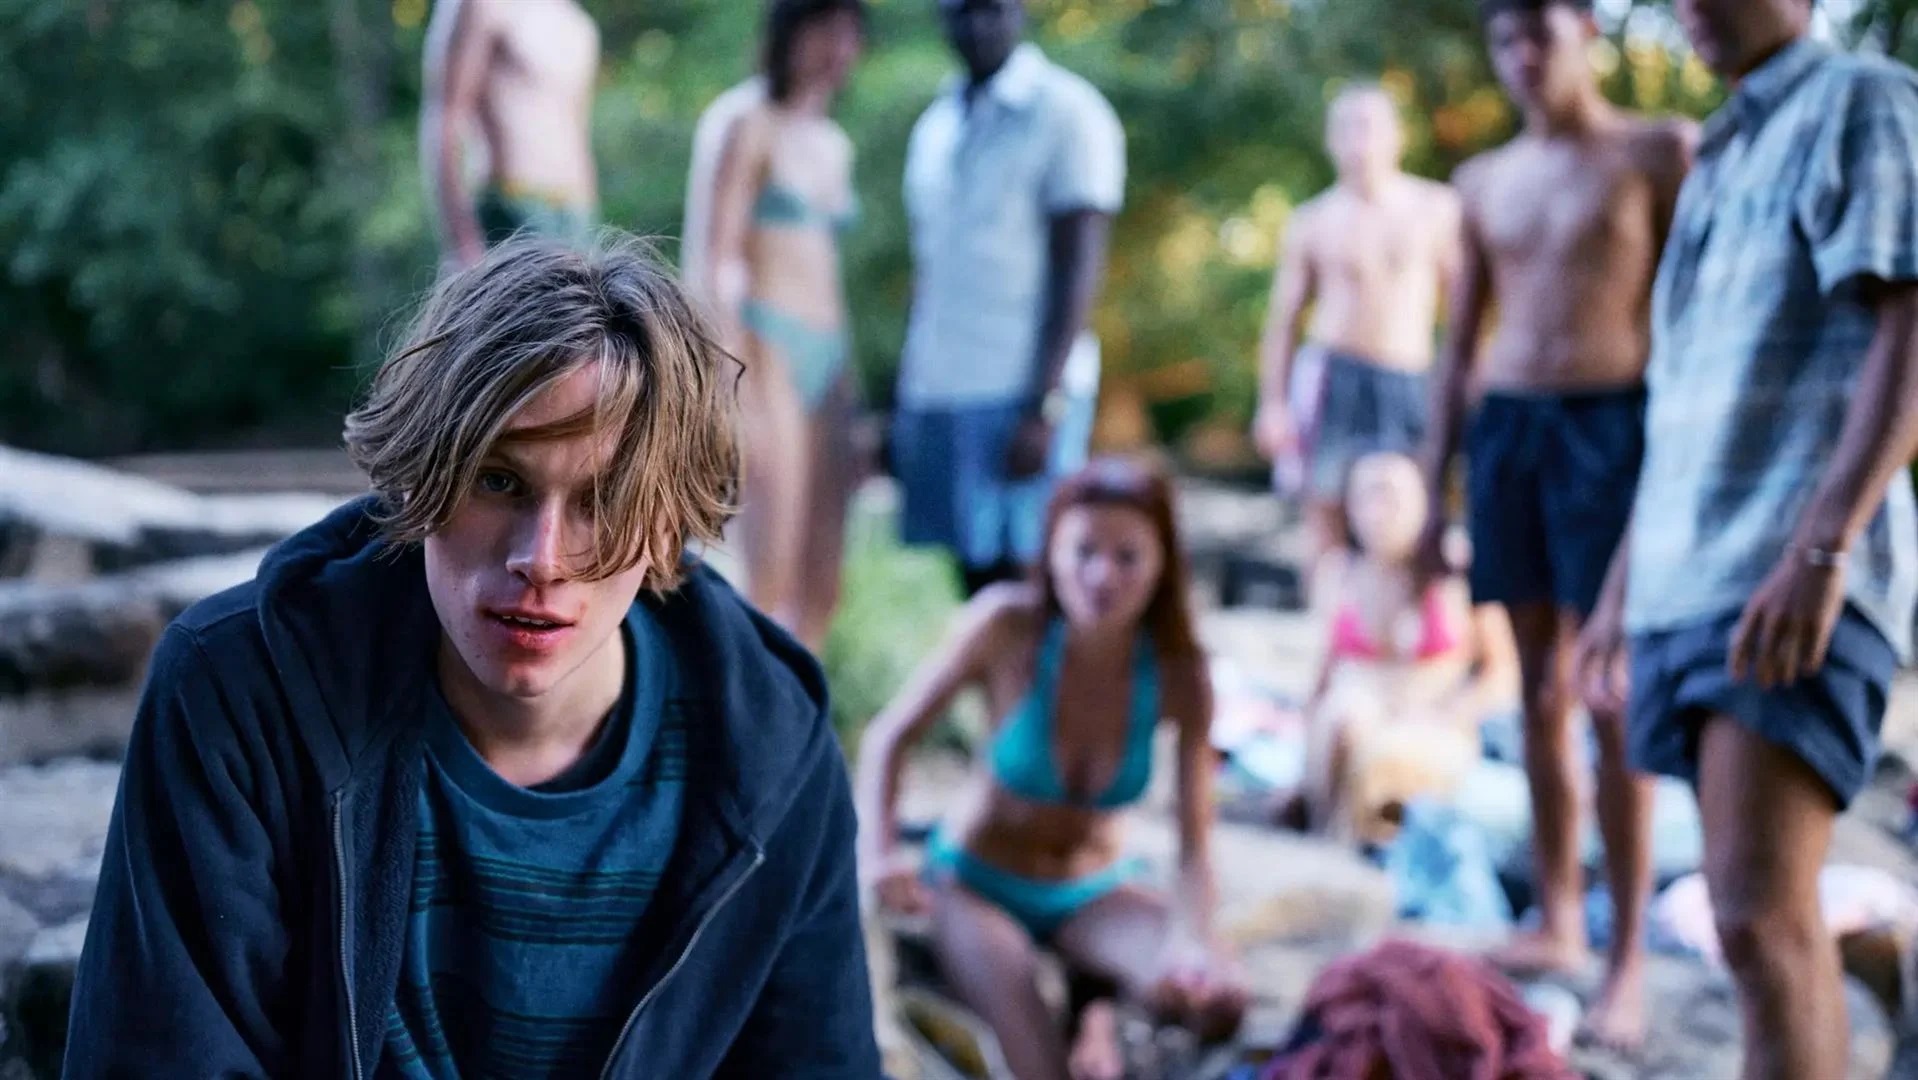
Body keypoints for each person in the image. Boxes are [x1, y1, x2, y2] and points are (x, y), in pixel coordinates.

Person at [62, 237, 880, 1078]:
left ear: (669, 522)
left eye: (604, 499)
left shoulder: (771, 747)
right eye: (498, 481)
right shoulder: (240, 691)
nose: (542, 558)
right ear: (421, 476)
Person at [1576, 0, 1918, 1074]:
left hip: (1789, 575)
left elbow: (1912, 322)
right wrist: (1619, 594)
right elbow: (1679, 399)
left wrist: (1823, 547)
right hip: (1684, 579)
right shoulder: (1713, 158)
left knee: (1759, 922)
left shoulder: (1859, 100)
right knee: (1753, 927)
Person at [1417, 0, 1694, 1051]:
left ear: (1588, 31)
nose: (1522, 56)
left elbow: (1692, 321)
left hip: (1610, 426)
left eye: (1540, 31)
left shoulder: (1656, 151)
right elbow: (1457, 346)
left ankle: (1627, 961)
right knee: (1533, 691)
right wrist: (1433, 491)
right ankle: (1559, 920)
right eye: (1505, 39)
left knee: (1607, 694)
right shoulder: (1483, 180)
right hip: (1508, 430)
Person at [858, 458, 1248, 1080]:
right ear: (1052, 550)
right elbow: (889, 739)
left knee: (1217, 1000)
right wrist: (879, 853)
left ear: (1162, 566)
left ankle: (1097, 1008)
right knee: (1039, 1067)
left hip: (1094, 889)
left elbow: (1195, 844)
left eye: (1127, 557)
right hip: (976, 884)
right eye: (1083, 551)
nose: (1102, 575)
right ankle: (1089, 1013)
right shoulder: (1007, 627)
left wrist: (1193, 937)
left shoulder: (1180, 672)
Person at [892, 0, 1125, 598]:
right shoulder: (935, 126)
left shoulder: (1067, 111)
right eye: (961, 11)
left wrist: (1045, 405)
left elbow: (1079, 266)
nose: (977, 25)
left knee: (1042, 577)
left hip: (1023, 392)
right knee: (975, 584)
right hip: (943, 387)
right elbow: (932, 271)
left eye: (991, 9)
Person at [683, 0, 867, 651]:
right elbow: (714, 259)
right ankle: (735, 695)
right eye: (824, 29)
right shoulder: (742, 119)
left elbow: (827, 268)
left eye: (849, 32)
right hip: (764, 348)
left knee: (824, 580)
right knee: (768, 568)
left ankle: (798, 702)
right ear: (790, 30)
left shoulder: (833, 143)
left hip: (829, 355)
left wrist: (850, 384)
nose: (837, 48)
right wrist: (727, 379)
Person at [1252, 84, 1462, 604]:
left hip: (1409, 376)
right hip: (1333, 376)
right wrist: (1273, 404)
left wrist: (1466, 384)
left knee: (1417, 509)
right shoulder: (1313, 220)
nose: (1359, 139)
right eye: (1347, 127)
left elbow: (1464, 308)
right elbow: (1284, 319)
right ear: (1331, 140)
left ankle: (1411, 634)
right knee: (1325, 510)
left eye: (1370, 126)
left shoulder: (1435, 208)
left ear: (1398, 136)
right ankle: (1331, 636)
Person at [1289, 452, 1519, 844]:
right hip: (1356, 717)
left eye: (1392, 498)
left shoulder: (1457, 572)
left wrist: (1448, 713)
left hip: (1436, 718)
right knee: (1346, 720)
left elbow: (1502, 673)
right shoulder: (1338, 573)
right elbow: (1322, 679)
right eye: (1369, 497)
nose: (1380, 513)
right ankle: (1330, 837)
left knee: (1386, 755)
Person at [422, 0, 600, 266]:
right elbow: (445, 117)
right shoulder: (485, 5)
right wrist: (460, 238)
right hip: (512, 210)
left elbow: (578, 128)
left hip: (577, 214)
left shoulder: (577, 24)